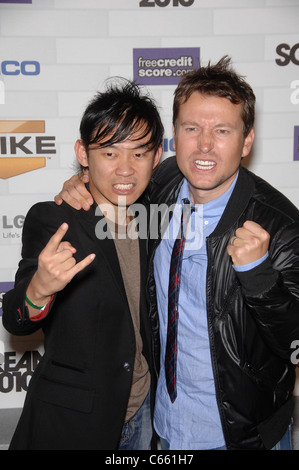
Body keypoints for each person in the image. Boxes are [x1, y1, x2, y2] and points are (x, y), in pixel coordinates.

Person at [54, 57, 299, 450]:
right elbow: (116, 174)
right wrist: (80, 179)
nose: (204, 145)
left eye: (222, 130)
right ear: (174, 135)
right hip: (164, 429)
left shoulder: (282, 225)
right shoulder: (163, 183)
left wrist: (259, 278)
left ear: (247, 140)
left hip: (241, 435)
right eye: (191, 129)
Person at [2, 79, 163, 450]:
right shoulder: (53, 220)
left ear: (156, 158)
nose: (125, 169)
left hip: (144, 414)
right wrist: (38, 290)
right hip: (74, 422)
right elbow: (15, 318)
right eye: (109, 153)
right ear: (83, 154)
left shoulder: (160, 216)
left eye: (139, 154)